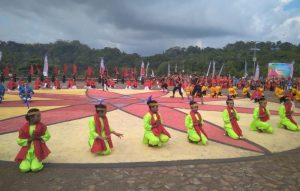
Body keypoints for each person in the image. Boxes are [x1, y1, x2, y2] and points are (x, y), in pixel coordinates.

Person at [15, 108, 51, 173]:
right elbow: (19, 140)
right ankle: (27, 160)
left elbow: (47, 136)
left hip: (37, 151)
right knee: (24, 169)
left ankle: (37, 160)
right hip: (27, 153)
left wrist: (38, 137)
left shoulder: (42, 126)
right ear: (31, 117)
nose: (40, 117)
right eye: (38, 116)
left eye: (40, 115)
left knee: (35, 168)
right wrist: (30, 139)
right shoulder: (23, 128)